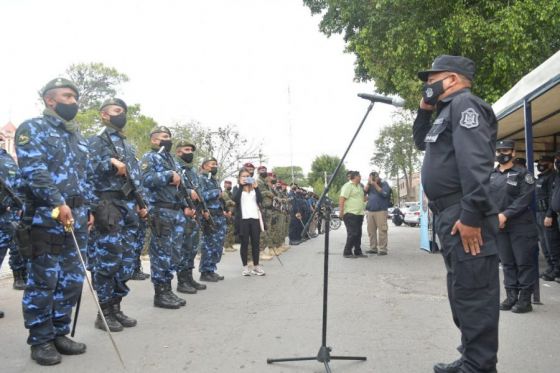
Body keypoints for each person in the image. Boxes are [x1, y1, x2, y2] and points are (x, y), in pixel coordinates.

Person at [413, 55, 500, 373]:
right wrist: (423, 110)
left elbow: (476, 164)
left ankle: (479, 367)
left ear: (450, 80)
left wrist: (472, 217)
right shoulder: (445, 113)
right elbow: (420, 141)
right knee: (462, 292)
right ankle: (471, 357)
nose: (427, 86)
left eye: (431, 80)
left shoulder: (465, 106)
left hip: (464, 213)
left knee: (475, 295)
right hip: (451, 215)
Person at [16, 78, 97, 365]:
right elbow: (34, 171)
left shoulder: (78, 137)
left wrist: (88, 208)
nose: (73, 101)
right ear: (50, 100)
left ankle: (60, 332)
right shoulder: (32, 129)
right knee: (44, 280)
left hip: (75, 218)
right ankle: (40, 340)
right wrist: (57, 202)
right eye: (67, 96)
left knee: (72, 280)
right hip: (45, 217)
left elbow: (84, 177)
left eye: (75, 97)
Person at [88, 98, 147, 331]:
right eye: (116, 110)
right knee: (107, 260)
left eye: (123, 111)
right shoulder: (96, 141)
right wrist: (108, 161)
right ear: (104, 115)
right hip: (107, 205)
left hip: (127, 206)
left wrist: (141, 203)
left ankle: (116, 306)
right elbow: (86, 170)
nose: (121, 114)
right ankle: (103, 312)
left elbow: (134, 178)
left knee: (126, 259)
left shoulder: (128, 145)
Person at [140, 126, 190, 309]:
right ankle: (160, 293)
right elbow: (145, 179)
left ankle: (168, 289)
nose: (167, 139)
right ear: (154, 140)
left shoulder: (171, 159)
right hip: (160, 210)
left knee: (173, 252)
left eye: (169, 136)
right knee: (161, 253)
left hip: (176, 211)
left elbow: (180, 186)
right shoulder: (150, 157)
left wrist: (186, 204)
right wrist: (168, 175)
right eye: (164, 137)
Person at [489, 140, 538, 314]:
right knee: (507, 263)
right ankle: (511, 296)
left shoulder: (523, 174)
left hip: (521, 225)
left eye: (506, 150)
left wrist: (505, 215)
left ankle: (525, 300)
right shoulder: (492, 175)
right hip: (500, 227)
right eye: (499, 150)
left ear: (513, 153)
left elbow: (524, 199)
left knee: (523, 263)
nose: (502, 153)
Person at [174, 140, 207, 294]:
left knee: (192, 248)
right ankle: (182, 281)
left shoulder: (192, 171)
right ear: (179, 152)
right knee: (184, 248)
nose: (190, 152)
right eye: (187, 149)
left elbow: (198, 192)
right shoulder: (175, 167)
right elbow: (172, 191)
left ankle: (189, 277)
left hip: (195, 214)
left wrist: (202, 209)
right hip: (183, 213)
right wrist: (185, 201)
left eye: (191, 150)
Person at [0, 133, 27, 291]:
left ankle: (19, 275)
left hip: (8, 214)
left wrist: (19, 206)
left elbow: (18, 183)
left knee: (17, 246)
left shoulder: (7, 158)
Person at [198, 158, 230, 281]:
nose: (215, 166)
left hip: (219, 215)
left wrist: (225, 209)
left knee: (218, 244)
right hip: (209, 215)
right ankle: (205, 271)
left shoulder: (214, 180)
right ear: (205, 166)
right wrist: (216, 192)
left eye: (216, 164)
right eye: (212, 164)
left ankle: (211, 269)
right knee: (209, 244)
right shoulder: (201, 179)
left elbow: (220, 198)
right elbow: (200, 196)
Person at [233, 168, 265, 276]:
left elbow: (260, 200)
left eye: (248, 176)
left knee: (256, 243)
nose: (246, 178)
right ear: (239, 178)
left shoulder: (254, 188)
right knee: (244, 244)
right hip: (243, 220)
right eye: (244, 176)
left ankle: (256, 266)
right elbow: (236, 200)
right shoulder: (237, 188)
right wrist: (241, 186)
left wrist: (256, 188)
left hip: (255, 219)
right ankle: (245, 267)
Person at [535, 155, 560, 281]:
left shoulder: (553, 177)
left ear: (550, 164)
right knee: (544, 244)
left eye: (544, 162)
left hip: (547, 214)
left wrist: (549, 214)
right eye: (539, 161)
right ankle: (551, 267)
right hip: (539, 213)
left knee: (552, 243)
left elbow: (553, 197)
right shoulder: (541, 177)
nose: (541, 164)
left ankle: (557, 270)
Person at [339, 171, 367, 258]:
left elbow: (363, 199)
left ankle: (358, 251)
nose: (361, 177)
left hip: (359, 214)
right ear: (355, 177)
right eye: (359, 176)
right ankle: (347, 252)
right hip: (350, 213)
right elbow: (342, 198)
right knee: (353, 233)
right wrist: (341, 211)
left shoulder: (359, 186)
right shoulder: (347, 186)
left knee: (358, 233)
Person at [364, 171, 391, 255]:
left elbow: (385, 194)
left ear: (378, 177)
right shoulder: (370, 185)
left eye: (374, 177)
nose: (373, 179)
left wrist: (375, 184)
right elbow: (364, 192)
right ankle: (373, 248)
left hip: (381, 211)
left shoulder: (384, 183)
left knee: (382, 230)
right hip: (370, 211)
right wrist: (368, 183)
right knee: (371, 231)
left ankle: (383, 249)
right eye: (371, 177)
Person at [222, 180, 237, 252]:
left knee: (231, 230)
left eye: (230, 184)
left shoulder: (231, 194)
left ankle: (230, 245)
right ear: (224, 185)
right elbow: (226, 203)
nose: (229, 186)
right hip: (227, 213)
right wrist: (231, 203)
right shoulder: (224, 193)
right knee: (228, 230)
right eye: (227, 184)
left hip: (232, 213)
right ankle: (227, 245)